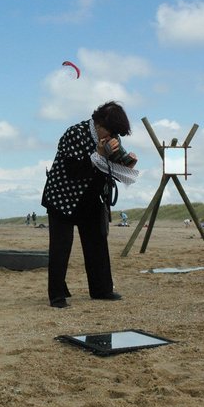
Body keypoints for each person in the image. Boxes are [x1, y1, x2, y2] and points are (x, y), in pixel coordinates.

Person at [41, 101, 138, 308]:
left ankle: (102, 289)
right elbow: (75, 171)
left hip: (91, 198)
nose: (112, 137)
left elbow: (119, 168)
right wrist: (99, 155)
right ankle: (57, 295)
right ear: (98, 123)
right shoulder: (74, 133)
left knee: (97, 243)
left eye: (115, 134)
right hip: (62, 197)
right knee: (61, 246)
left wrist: (128, 162)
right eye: (110, 132)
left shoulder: (112, 139)